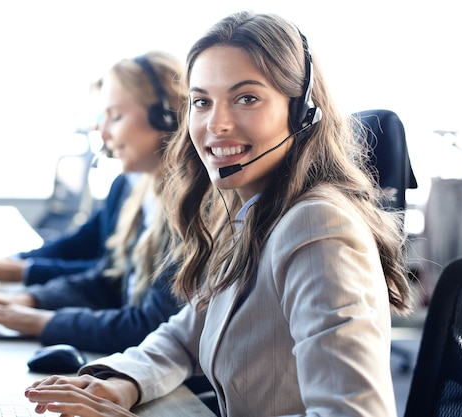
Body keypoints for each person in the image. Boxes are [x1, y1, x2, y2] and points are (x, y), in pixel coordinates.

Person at [23, 11, 413, 417]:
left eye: (247, 98)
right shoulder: (248, 214)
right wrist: (122, 384)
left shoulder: (317, 227)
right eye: (201, 102)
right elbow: (184, 335)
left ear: (302, 112)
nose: (217, 123)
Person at [0, 50, 189, 354]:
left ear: (164, 116)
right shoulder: (140, 192)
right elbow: (109, 279)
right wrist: (35, 300)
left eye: (116, 116)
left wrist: (43, 321)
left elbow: (150, 326)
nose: (103, 131)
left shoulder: (189, 208)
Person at [0, 171, 137, 286]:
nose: (101, 129)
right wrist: (12, 261)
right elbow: (80, 242)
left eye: (116, 116)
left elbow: (110, 274)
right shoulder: (123, 182)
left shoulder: (158, 201)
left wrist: (23, 271)